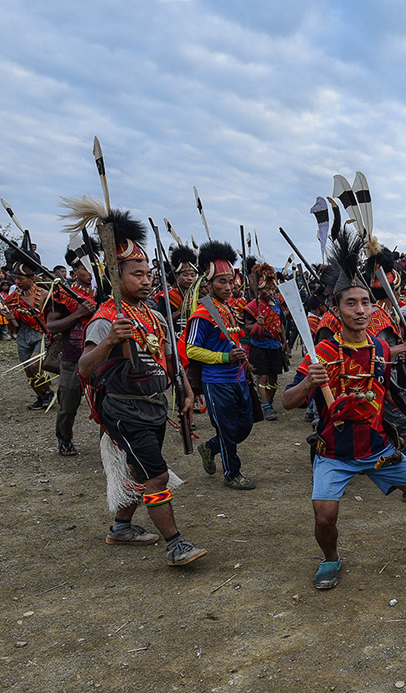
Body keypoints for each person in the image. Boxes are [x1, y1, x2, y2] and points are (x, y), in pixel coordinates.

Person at [281, 227, 406, 591]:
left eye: (365, 303)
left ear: (373, 305)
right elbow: (289, 401)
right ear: (337, 308)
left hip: (379, 448)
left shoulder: (381, 350)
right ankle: (330, 559)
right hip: (334, 450)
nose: (360, 310)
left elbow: (386, 384)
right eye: (350, 304)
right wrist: (307, 383)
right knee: (325, 516)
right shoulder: (321, 353)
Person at [66, 200, 206, 567]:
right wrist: (111, 340)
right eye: (137, 274)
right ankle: (176, 544)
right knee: (154, 475)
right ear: (117, 277)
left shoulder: (154, 314)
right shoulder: (105, 319)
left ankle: (121, 527)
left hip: (155, 404)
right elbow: (83, 367)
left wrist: (187, 394)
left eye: (148, 274)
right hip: (124, 409)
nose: (145, 280)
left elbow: (171, 362)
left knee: (136, 470)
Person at [187, 241, 256, 490]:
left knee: (244, 425)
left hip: (238, 377)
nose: (228, 287)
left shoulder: (227, 308)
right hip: (216, 380)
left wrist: (242, 363)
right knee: (227, 428)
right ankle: (232, 473)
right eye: (221, 282)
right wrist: (225, 358)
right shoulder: (202, 314)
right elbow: (191, 349)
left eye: (230, 282)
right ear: (209, 283)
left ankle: (210, 447)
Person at [46, 244, 98, 455]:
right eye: (85, 268)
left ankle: (111, 442)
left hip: (101, 357)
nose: (90, 273)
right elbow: (51, 326)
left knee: (107, 403)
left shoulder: (105, 292)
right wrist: (78, 313)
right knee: (68, 404)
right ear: (75, 270)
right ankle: (64, 438)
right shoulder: (61, 294)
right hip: (72, 357)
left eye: (94, 267)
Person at [3, 248, 54, 410]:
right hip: (24, 334)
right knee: (28, 369)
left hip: (41, 333)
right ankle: (42, 395)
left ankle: (48, 391)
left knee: (34, 365)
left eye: (20, 278)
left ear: (30, 278)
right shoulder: (13, 297)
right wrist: (10, 317)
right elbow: (14, 317)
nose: (17, 282)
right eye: (15, 278)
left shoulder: (45, 294)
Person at [244, 262, 287, 420]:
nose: (270, 292)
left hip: (275, 345)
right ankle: (265, 405)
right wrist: (257, 324)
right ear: (259, 289)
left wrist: (284, 341)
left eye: (272, 288)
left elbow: (281, 323)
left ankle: (268, 400)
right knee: (262, 376)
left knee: (274, 376)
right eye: (266, 289)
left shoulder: (276, 304)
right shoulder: (252, 307)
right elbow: (247, 327)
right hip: (259, 346)